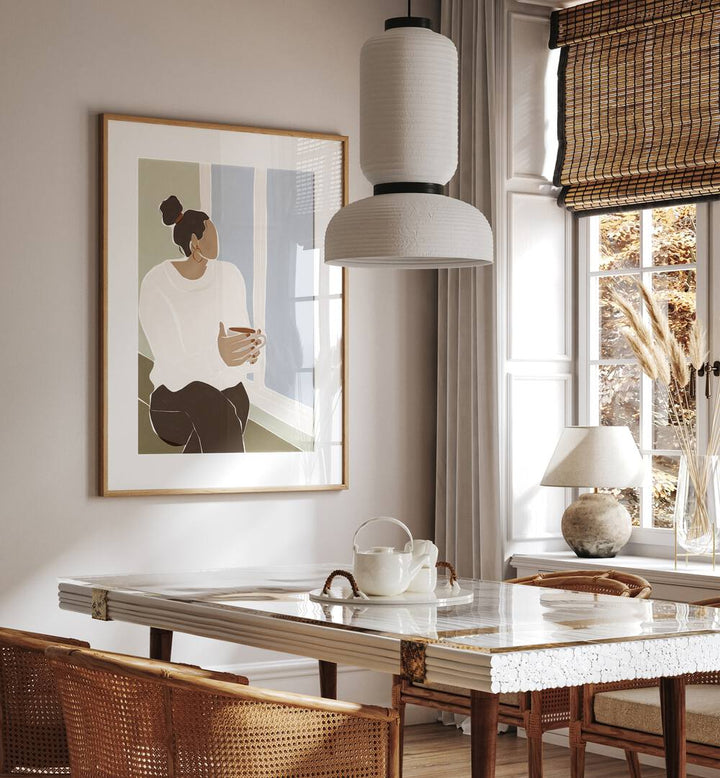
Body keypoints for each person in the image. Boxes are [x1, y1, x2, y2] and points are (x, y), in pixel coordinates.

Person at [139, 194, 265, 453]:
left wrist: (249, 350)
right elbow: (173, 364)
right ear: (195, 242)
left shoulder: (229, 275)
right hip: (173, 401)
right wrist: (218, 355)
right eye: (212, 234)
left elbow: (238, 333)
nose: (219, 240)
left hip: (225, 395)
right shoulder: (157, 283)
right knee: (213, 404)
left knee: (233, 399)